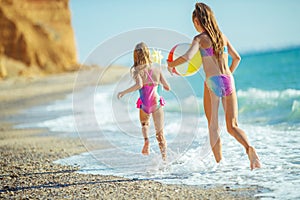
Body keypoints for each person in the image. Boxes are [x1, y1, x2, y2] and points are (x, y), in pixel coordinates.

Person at [167, 2, 261, 170]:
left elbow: (188, 57)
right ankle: (249, 149)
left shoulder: (200, 39)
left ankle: (220, 165)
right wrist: (227, 75)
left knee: (213, 125)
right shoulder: (222, 37)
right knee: (232, 125)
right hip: (229, 80)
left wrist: (171, 64)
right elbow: (237, 58)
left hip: (212, 82)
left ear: (197, 21)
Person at [117, 42, 171, 161]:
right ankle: (164, 160)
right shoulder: (157, 69)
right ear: (148, 53)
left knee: (145, 124)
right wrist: (160, 82)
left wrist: (123, 92)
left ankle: (146, 140)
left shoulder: (136, 70)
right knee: (160, 134)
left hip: (144, 103)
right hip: (156, 103)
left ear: (135, 56)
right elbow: (167, 87)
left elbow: (139, 85)